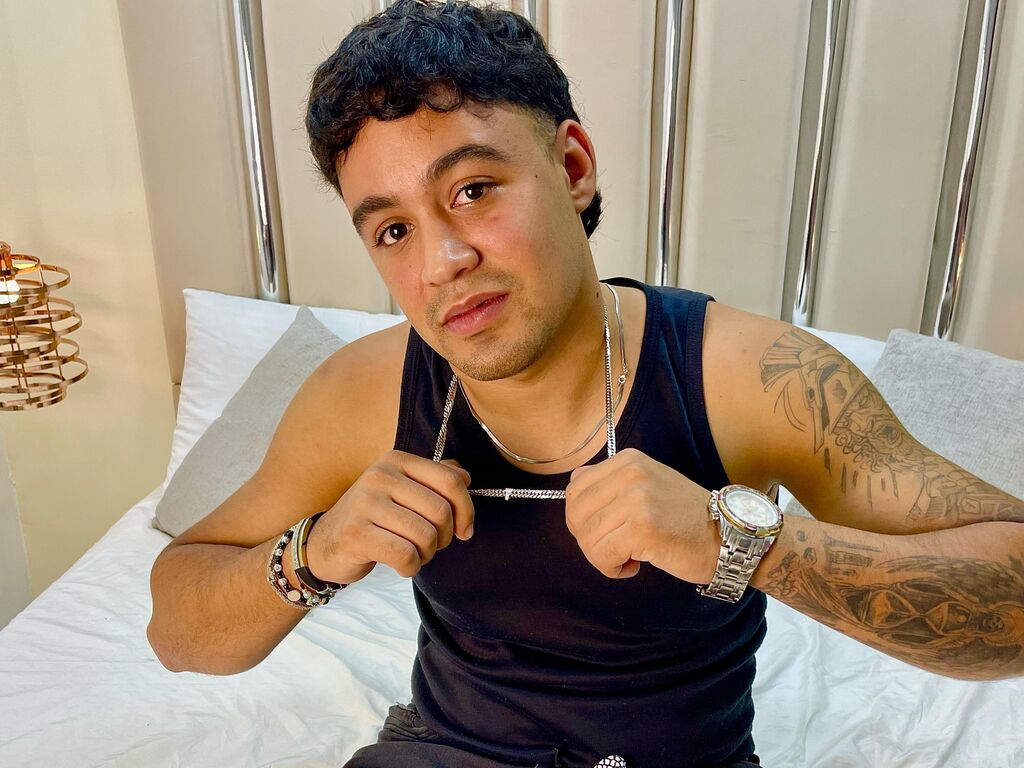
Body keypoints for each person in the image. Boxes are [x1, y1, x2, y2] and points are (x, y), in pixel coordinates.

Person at [146, 2, 1024, 766]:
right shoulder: (363, 393)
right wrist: (315, 552)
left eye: (473, 189)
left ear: (572, 168)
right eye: (393, 232)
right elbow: (176, 629)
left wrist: (743, 546)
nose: (442, 262)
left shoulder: (752, 377)